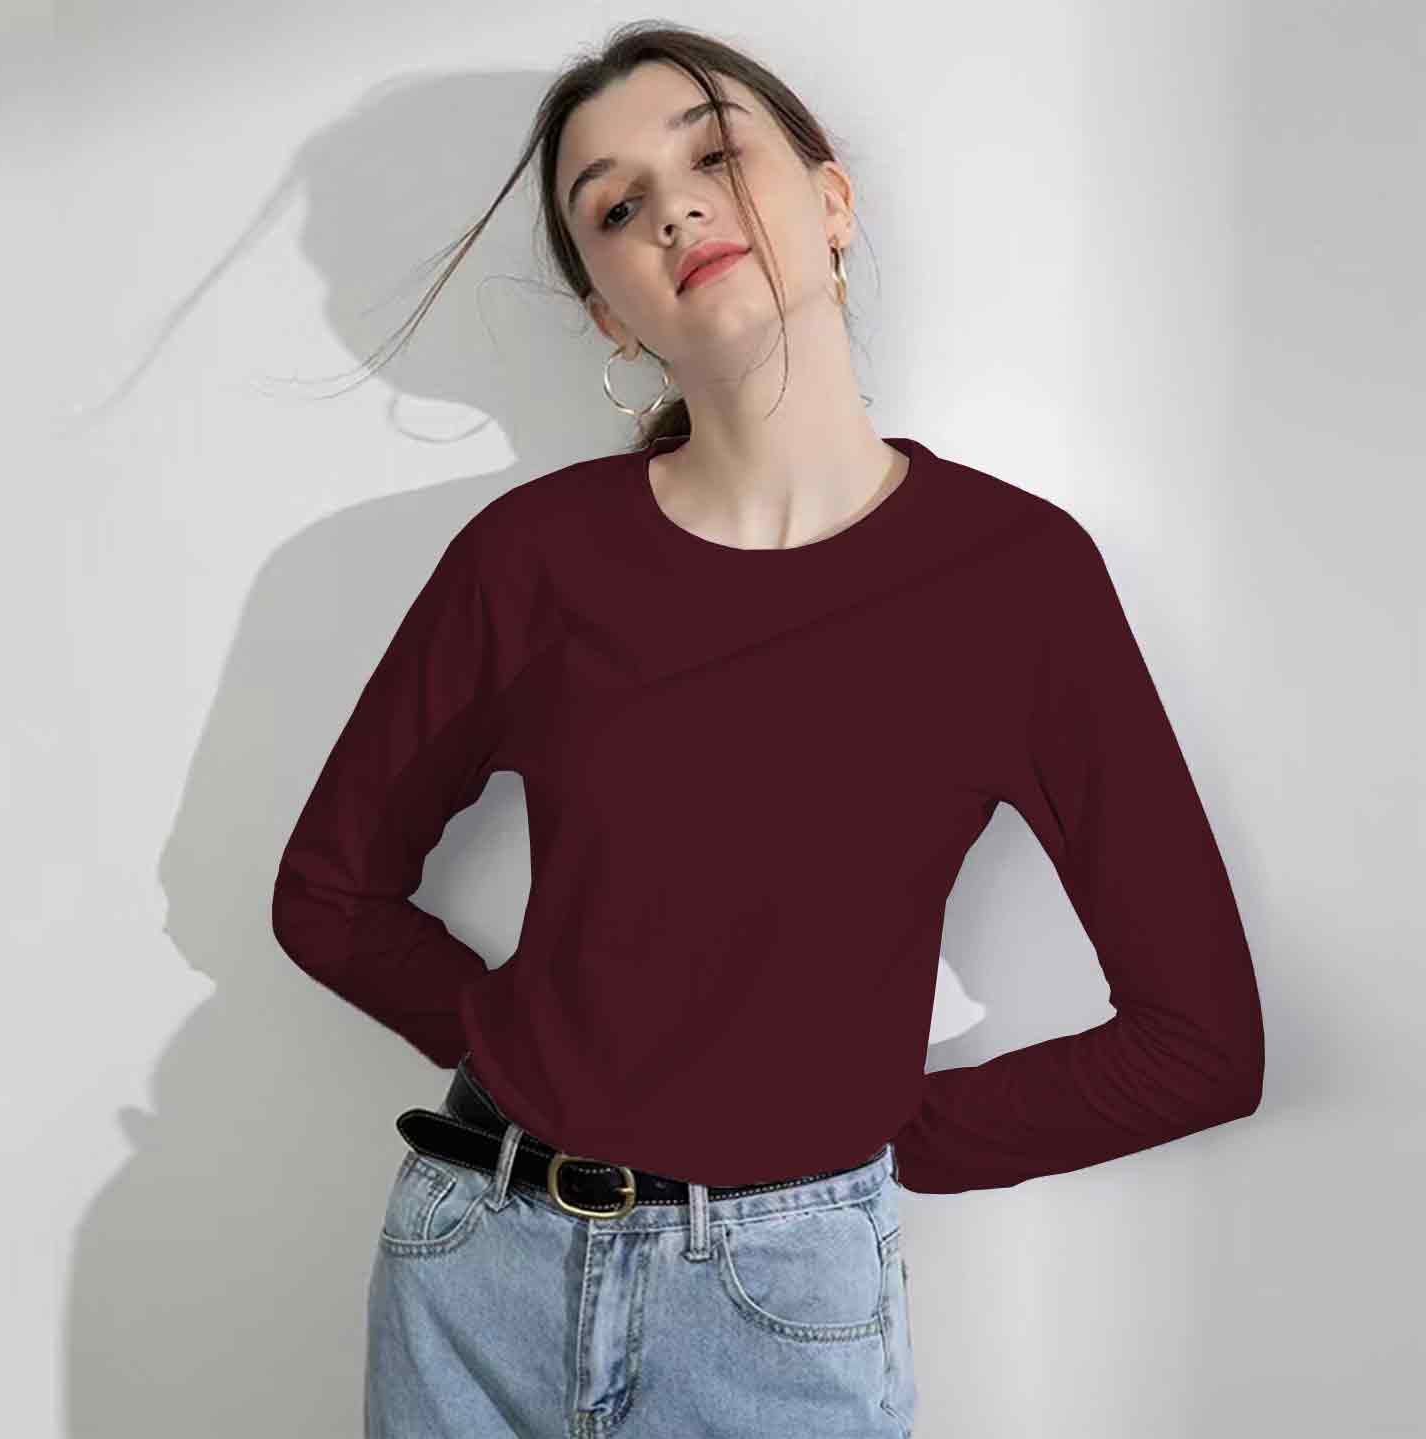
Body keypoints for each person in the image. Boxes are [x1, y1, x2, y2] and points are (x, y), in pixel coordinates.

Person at [270, 22, 1265, 1439]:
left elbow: (1201, 1041)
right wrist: (528, 1051)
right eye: (616, 208)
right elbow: (327, 898)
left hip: (782, 1308)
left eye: (715, 156)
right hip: (475, 1269)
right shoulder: (532, 560)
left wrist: (856, 1144)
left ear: (832, 200)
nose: (675, 211)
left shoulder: (1017, 580)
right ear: (611, 317)